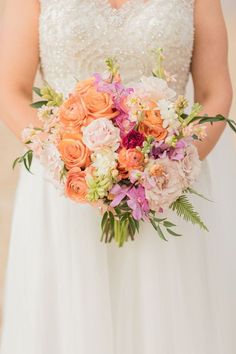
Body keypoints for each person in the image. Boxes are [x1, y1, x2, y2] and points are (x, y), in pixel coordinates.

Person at [0, 0, 235, 353]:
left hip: (164, 192)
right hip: (65, 188)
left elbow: (213, 92)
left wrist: (168, 167)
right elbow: (10, 90)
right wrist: (69, 160)